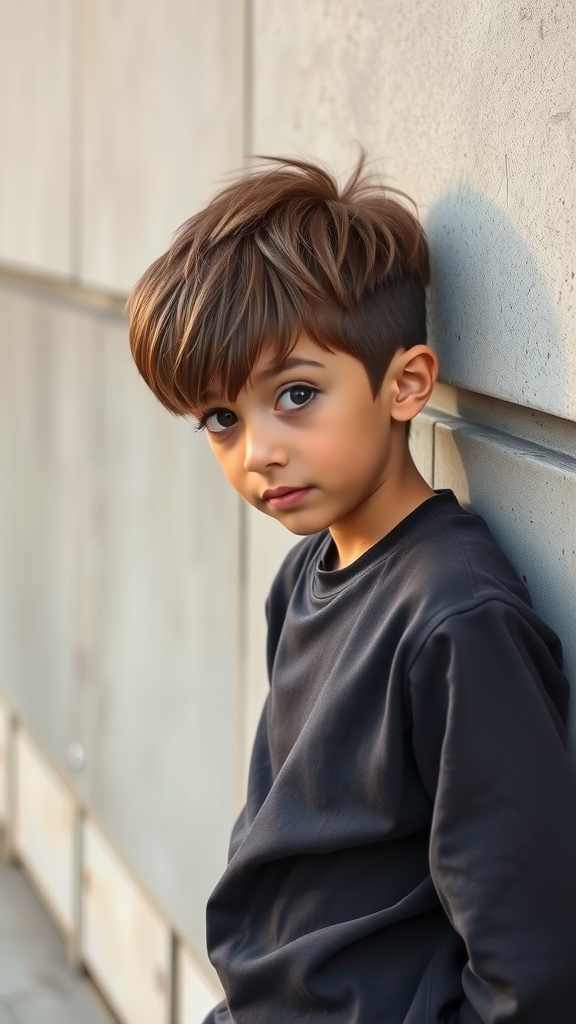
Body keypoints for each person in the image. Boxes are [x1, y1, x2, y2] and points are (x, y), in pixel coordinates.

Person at [126, 154, 576, 1023]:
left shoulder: (455, 616)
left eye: (295, 395)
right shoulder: (306, 571)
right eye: (221, 418)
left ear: (406, 384)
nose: (256, 451)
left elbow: (532, 958)